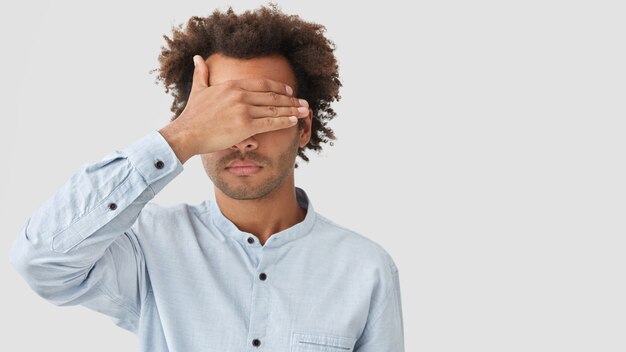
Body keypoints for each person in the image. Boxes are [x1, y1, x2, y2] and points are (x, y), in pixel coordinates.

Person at [9, 4, 404, 352]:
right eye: (223, 118)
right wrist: (179, 137)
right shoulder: (147, 247)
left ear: (302, 129)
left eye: (263, 113)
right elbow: (40, 260)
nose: (243, 140)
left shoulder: (365, 268)